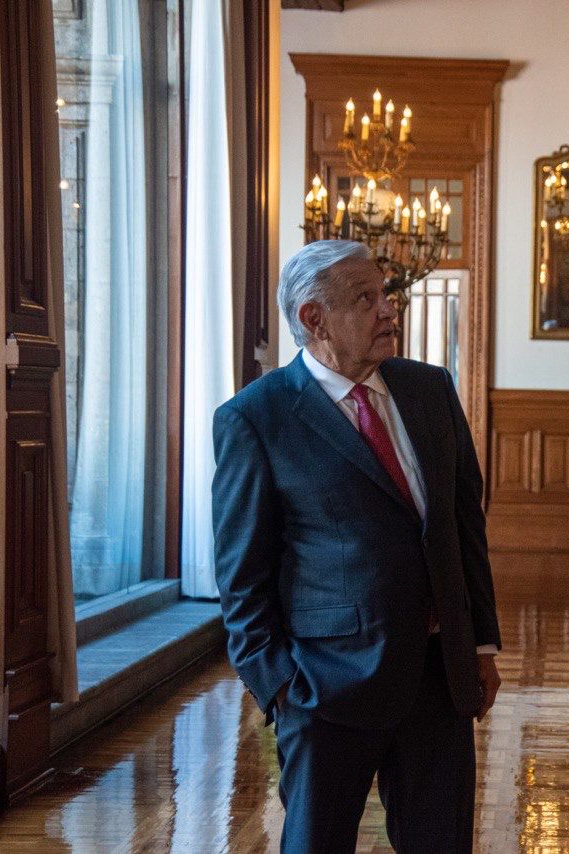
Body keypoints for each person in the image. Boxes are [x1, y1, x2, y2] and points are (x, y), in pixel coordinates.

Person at [212, 240, 501, 853]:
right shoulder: (256, 419)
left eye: (385, 294)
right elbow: (242, 578)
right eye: (365, 299)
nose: (388, 310)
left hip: (437, 680)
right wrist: (283, 691)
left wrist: (479, 643)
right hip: (326, 688)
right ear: (314, 319)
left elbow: (461, 524)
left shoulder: (429, 389)